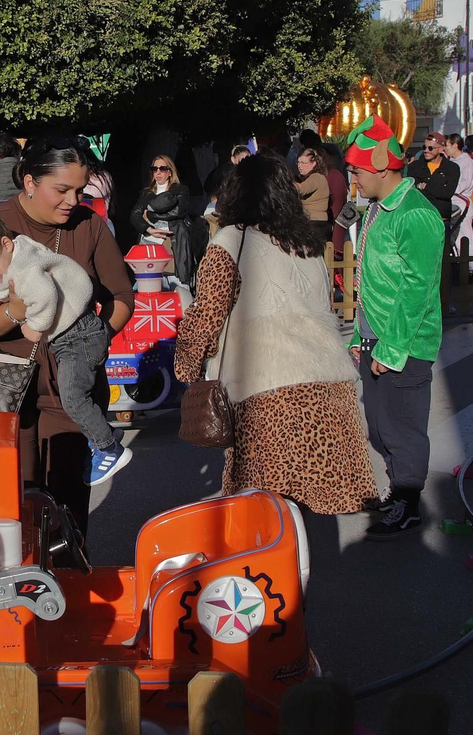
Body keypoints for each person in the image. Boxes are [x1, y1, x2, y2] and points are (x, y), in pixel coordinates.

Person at [0, 139, 134, 541]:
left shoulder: (89, 226)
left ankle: (64, 580)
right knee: (12, 513)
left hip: (65, 388)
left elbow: (121, 296)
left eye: (80, 190)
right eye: (62, 190)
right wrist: (16, 310)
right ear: (30, 182)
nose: (73, 201)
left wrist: (95, 341)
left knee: (65, 516)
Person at [174, 153, 377, 514]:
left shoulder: (230, 242)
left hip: (266, 392)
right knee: (304, 508)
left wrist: (187, 366)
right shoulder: (306, 244)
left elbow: (207, 314)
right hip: (328, 387)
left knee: (264, 513)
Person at [0, 211, 132, 485]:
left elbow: (44, 294)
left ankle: (109, 449)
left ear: (5, 244)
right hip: (79, 332)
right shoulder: (21, 252)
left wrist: (36, 326)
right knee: (74, 395)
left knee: (73, 398)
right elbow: (16, 288)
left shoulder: (25, 269)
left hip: (77, 337)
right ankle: (103, 433)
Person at [341, 117, 444, 538]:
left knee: (402, 429)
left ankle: (408, 502)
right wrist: (359, 335)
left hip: (404, 344)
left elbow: (419, 289)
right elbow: (370, 281)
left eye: (356, 171)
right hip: (376, 338)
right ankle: (397, 492)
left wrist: (392, 347)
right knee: (381, 428)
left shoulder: (416, 215)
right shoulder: (376, 210)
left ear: (382, 169)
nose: (352, 179)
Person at [130, 155, 197, 285]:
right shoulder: (147, 193)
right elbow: (135, 215)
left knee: (177, 286)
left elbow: (178, 212)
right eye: (154, 169)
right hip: (149, 243)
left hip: (172, 241)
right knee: (149, 286)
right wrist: (149, 229)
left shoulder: (180, 190)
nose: (158, 172)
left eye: (163, 168)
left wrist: (151, 215)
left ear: (170, 172)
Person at [406, 132, 458, 222]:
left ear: (441, 149)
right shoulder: (414, 167)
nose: (426, 151)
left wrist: (426, 186)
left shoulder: (452, 168)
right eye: (424, 147)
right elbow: (413, 192)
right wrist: (438, 188)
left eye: (430, 148)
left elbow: (447, 193)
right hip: (420, 216)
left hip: (441, 218)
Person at [293, 148, 332, 245]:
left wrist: (284, 180)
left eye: (303, 163)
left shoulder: (316, 177)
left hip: (315, 224)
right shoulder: (315, 177)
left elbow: (302, 189)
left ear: (314, 163)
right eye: (298, 162)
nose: (300, 166)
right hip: (315, 223)